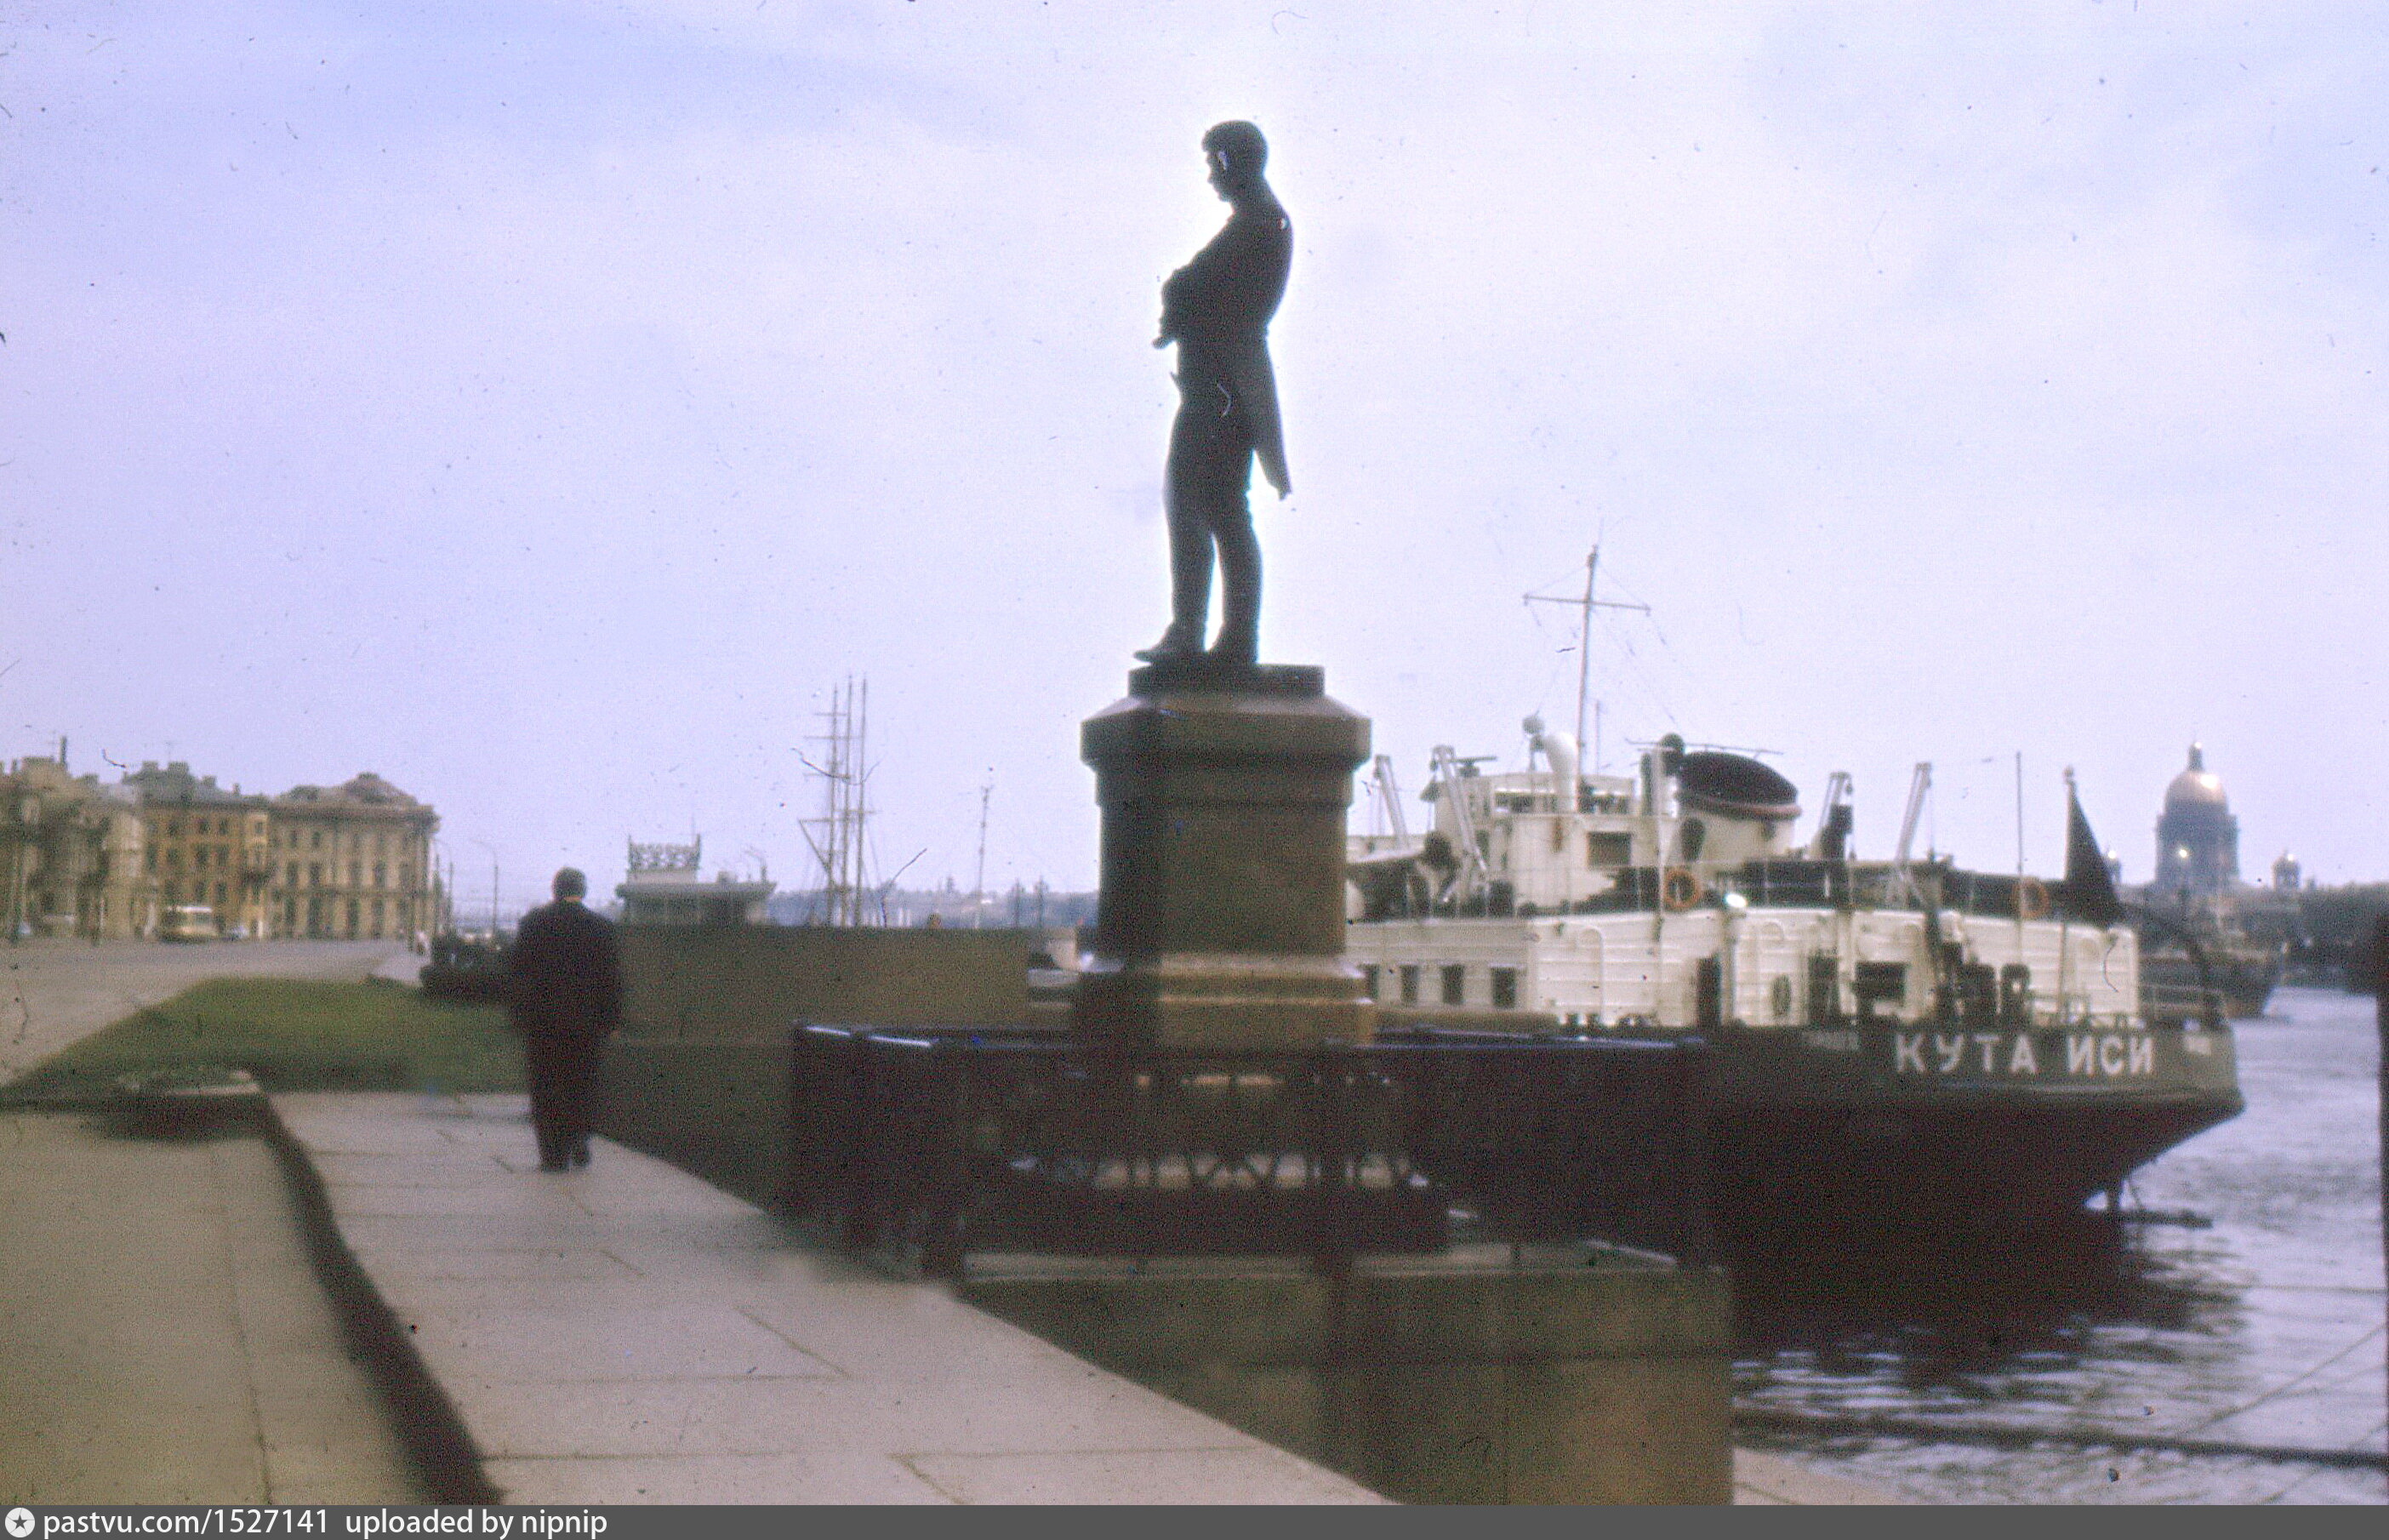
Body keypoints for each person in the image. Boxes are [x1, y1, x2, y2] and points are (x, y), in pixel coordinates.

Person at [1136, 120, 1292, 670]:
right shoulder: (1255, 223)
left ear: (1232, 163)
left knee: (1212, 509)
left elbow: (1190, 284)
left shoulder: (1259, 225)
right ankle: (1209, 634)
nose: (1208, 175)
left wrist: (1179, 300)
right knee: (1214, 510)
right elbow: (1189, 286)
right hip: (1214, 387)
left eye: (1213, 162)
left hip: (1221, 392)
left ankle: (1203, 633)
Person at [508, 866, 623, 1172]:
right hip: (586, 1025)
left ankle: (552, 1153)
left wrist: (519, 1016)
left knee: (546, 1085)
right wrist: (611, 1020)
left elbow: (517, 975)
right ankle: (580, 1137)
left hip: (543, 1024)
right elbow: (611, 980)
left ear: (554, 890)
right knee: (582, 1083)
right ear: (582, 891)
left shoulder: (533, 924)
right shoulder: (602, 928)